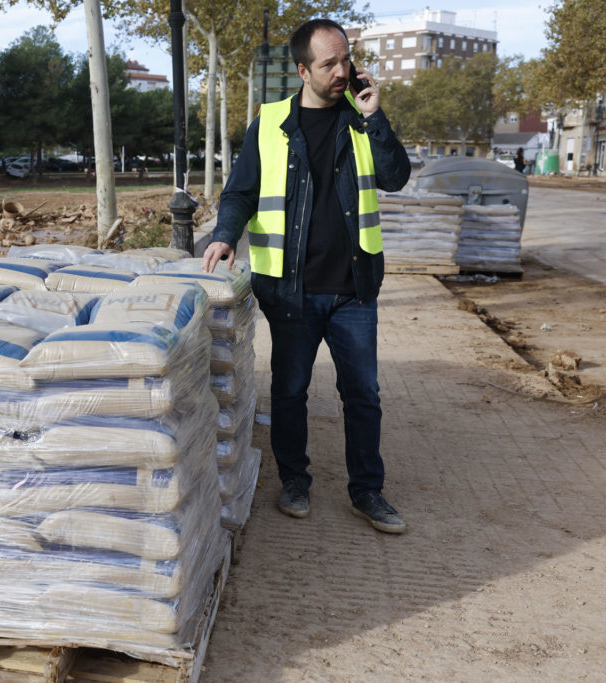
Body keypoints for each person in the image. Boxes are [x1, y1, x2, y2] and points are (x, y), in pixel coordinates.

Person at [201, 18, 411, 533]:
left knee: (362, 394)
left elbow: (396, 178)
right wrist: (225, 233)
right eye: (329, 64)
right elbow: (240, 192)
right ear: (302, 70)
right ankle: (295, 480)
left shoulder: (362, 119)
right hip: (291, 290)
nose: (342, 71)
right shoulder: (270, 122)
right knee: (290, 390)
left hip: (353, 289)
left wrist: (376, 119)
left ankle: (368, 491)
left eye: (346, 59)